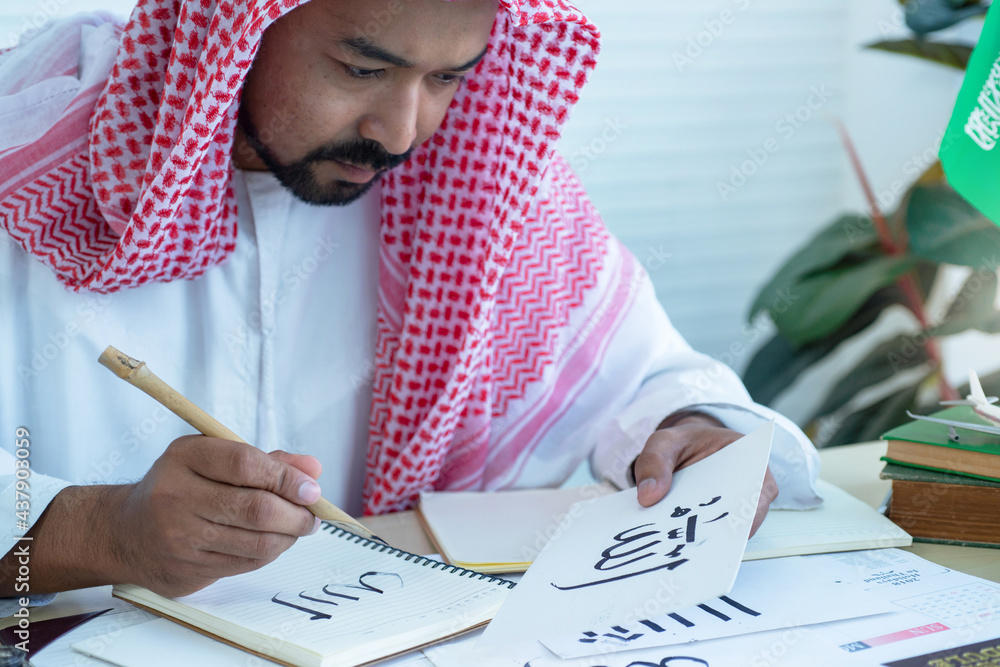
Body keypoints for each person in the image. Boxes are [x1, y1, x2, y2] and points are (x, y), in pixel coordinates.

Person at [0, 0, 822, 610]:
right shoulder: (24, 152)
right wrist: (99, 531)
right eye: (362, 69)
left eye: (446, 79)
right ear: (236, 24)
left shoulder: (483, 184)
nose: (400, 132)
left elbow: (653, 381)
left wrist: (689, 435)